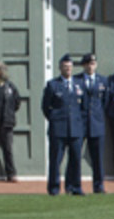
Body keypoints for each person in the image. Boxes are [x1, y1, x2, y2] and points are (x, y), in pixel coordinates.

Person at [42, 53, 84, 196]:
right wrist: (54, 119)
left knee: (76, 160)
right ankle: (54, 188)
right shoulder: (53, 85)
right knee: (56, 160)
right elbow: (45, 107)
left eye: (70, 67)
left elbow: (83, 107)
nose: (68, 69)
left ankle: (74, 187)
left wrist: (79, 123)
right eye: (65, 67)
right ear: (60, 68)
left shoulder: (79, 84)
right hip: (58, 129)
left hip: (75, 128)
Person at [74, 52, 109, 194]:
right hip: (80, 123)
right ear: (84, 65)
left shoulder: (103, 81)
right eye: (88, 63)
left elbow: (105, 102)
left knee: (97, 158)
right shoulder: (77, 80)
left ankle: (98, 186)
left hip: (96, 123)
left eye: (93, 63)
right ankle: (74, 185)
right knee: (75, 156)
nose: (90, 66)